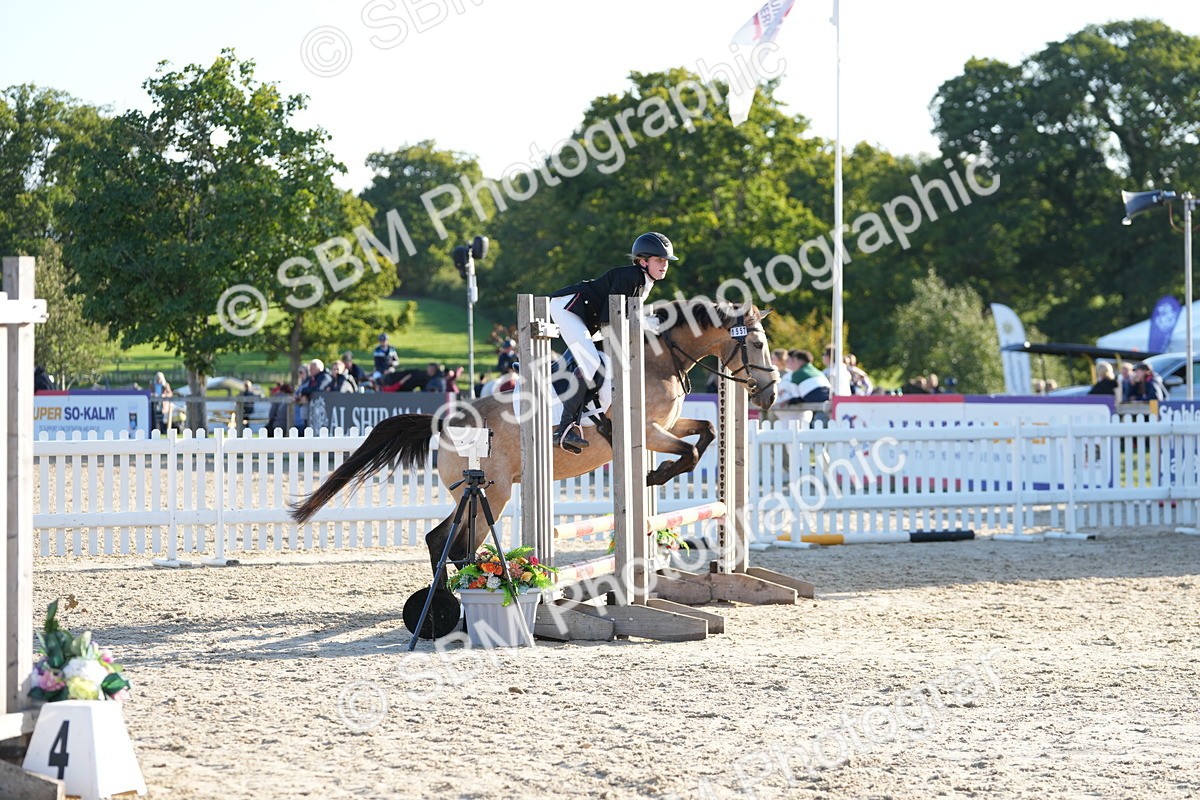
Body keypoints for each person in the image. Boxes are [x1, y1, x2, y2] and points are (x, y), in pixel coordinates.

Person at [547, 231, 677, 452]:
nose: (664, 265)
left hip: (588, 317)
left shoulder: (644, 281)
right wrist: (646, 324)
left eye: (665, 260)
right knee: (591, 364)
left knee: (592, 359)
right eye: (659, 260)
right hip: (568, 308)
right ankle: (564, 428)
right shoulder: (632, 277)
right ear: (643, 261)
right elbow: (611, 322)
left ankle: (553, 377)